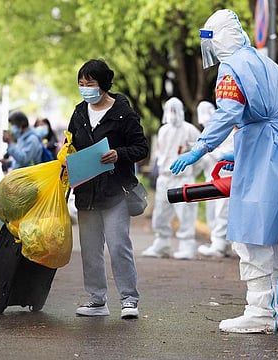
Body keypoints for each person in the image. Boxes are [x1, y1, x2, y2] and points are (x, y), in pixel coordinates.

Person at [170, 9, 278, 334]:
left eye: (213, 42)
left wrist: (199, 148)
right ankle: (275, 310)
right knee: (274, 231)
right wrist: (237, 152)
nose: (213, 51)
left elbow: (228, 112)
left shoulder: (232, 68)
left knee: (252, 232)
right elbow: (269, 115)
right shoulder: (269, 65)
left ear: (222, 37)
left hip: (261, 151)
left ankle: (259, 312)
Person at [68, 59, 148, 319]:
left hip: (115, 192)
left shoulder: (122, 112)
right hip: (86, 192)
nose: (85, 88)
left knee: (118, 245)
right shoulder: (79, 113)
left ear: (103, 85)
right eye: (81, 84)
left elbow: (141, 147)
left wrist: (119, 154)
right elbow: (70, 145)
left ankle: (129, 299)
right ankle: (96, 299)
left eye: (89, 84)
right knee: (90, 249)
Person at [141, 97, 201, 260]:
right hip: (164, 177)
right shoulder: (163, 130)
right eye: (170, 110)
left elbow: (201, 154)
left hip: (183, 178)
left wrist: (190, 173)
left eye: (175, 110)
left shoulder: (190, 130)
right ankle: (162, 243)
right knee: (160, 213)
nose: (172, 114)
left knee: (186, 213)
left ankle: (187, 245)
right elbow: (159, 154)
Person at [194, 101, 234, 258]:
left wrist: (209, 152)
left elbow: (228, 153)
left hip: (225, 178)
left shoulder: (228, 131)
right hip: (211, 178)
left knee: (222, 212)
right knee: (212, 212)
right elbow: (203, 161)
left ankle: (219, 245)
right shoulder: (205, 133)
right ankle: (219, 243)